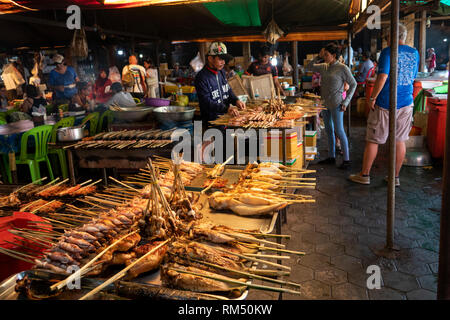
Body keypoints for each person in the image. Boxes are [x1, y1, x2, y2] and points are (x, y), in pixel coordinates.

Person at [349, 23, 419, 186]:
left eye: (387, 36)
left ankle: (365, 175)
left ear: (392, 36)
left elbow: (382, 77)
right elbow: (412, 76)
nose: (386, 39)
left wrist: (372, 98)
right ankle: (394, 178)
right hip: (406, 102)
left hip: (385, 104)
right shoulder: (414, 53)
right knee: (400, 140)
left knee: (373, 140)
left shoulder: (388, 52)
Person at [306, 43, 357, 169]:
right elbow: (309, 66)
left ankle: (346, 160)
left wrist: (346, 102)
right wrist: (318, 55)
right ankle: (331, 156)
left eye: (326, 55)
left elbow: (353, 84)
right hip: (325, 104)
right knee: (328, 130)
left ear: (334, 55)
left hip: (337, 104)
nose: (324, 57)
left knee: (339, 131)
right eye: (324, 55)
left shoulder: (342, 68)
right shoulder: (324, 66)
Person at [194, 42, 246, 127]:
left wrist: (236, 100)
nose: (223, 62)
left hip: (226, 119)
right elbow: (206, 102)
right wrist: (226, 109)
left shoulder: (221, 72)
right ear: (210, 59)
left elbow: (228, 90)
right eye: (220, 59)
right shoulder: (201, 77)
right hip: (212, 123)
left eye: (224, 59)